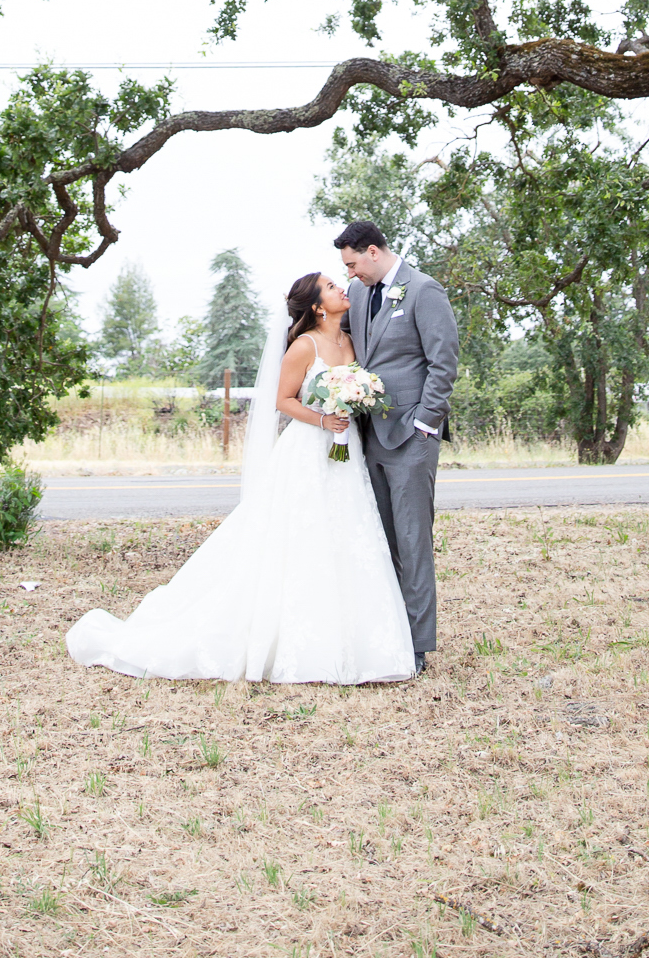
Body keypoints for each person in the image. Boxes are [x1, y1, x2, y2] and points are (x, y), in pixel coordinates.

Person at [65, 270, 416, 684]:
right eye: (333, 287)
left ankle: (355, 643)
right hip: (309, 449)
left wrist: (352, 406)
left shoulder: (352, 342)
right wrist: (324, 420)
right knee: (298, 536)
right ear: (319, 306)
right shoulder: (304, 346)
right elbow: (281, 401)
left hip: (345, 449)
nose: (343, 288)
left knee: (346, 535)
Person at [335, 220, 459, 676]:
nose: (350, 273)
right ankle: (389, 634)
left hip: (411, 436)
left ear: (372, 251)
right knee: (382, 540)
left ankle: (418, 646)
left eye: (353, 264)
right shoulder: (362, 292)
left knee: (412, 541)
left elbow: (443, 363)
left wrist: (426, 424)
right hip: (369, 435)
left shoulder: (424, 291)